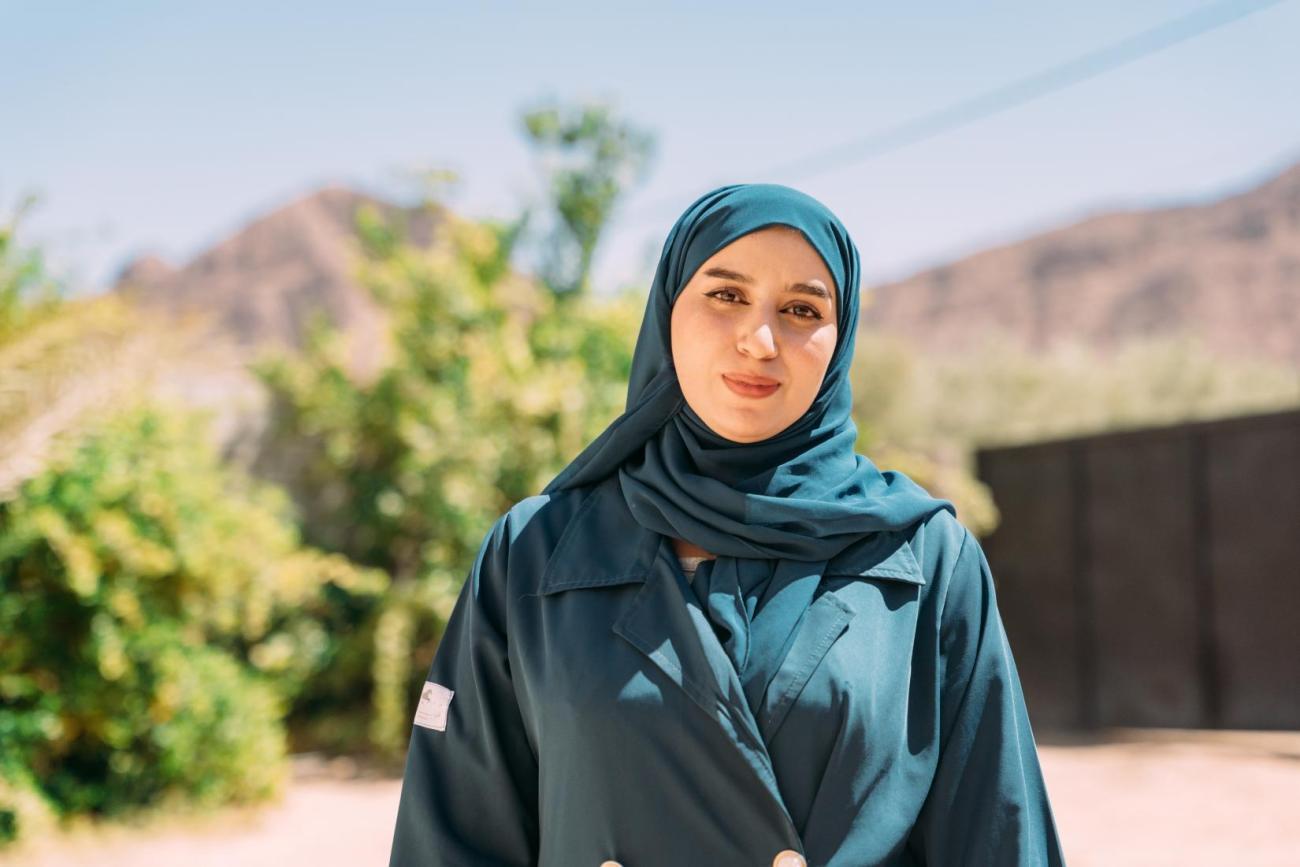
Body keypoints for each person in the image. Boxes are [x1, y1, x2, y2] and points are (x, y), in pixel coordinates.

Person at [387, 183, 1066, 866]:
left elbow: (1002, 842)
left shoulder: (924, 560)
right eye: (726, 294)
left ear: (840, 338)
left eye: (802, 308)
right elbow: (450, 842)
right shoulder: (534, 554)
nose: (761, 339)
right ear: (668, 310)